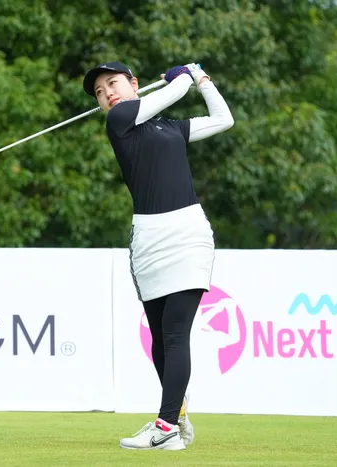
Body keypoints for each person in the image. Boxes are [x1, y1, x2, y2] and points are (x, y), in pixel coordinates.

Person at [82, 61, 234, 451]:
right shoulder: (118, 120)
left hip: (188, 232)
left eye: (113, 83)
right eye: (99, 92)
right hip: (148, 239)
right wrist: (184, 76)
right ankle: (176, 414)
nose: (107, 93)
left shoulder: (172, 128)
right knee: (159, 340)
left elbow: (223, 120)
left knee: (175, 332)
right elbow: (173, 92)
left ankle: (165, 426)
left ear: (133, 84)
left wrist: (202, 80)